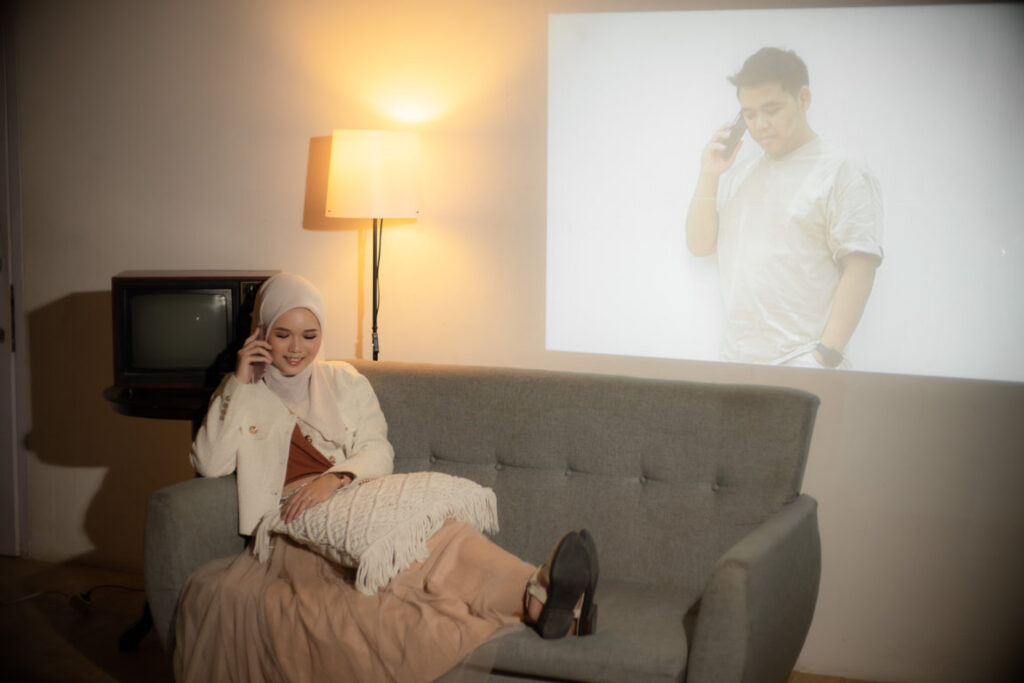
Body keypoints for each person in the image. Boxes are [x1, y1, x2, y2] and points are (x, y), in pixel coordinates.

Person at [174, 273, 598, 682]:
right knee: (402, 574)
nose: (297, 348)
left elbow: (378, 451)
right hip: (293, 523)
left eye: (310, 335)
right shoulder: (242, 391)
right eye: (282, 334)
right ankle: (549, 605)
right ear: (261, 332)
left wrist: (335, 478)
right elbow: (209, 463)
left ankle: (538, 591)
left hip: (352, 495)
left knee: (444, 533)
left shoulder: (343, 381)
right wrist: (240, 383)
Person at [685, 47, 883, 369]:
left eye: (772, 109)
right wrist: (709, 175)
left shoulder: (842, 169)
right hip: (736, 361)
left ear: (803, 98)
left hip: (804, 362)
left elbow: (860, 268)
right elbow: (699, 245)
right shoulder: (737, 175)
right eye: (749, 114)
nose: (760, 124)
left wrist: (824, 357)